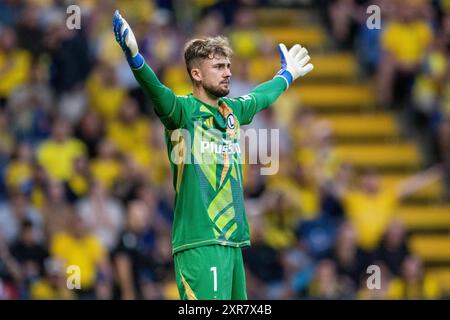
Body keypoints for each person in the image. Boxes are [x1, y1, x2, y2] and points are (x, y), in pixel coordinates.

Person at [112, 10, 313, 300]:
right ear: (196, 73)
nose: (228, 72)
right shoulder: (181, 112)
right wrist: (136, 59)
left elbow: (261, 97)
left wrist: (287, 75)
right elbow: (155, 90)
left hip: (231, 242)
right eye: (219, 66)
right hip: (199, 243)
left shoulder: (231, 111)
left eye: (228, 65)